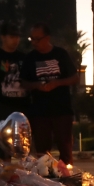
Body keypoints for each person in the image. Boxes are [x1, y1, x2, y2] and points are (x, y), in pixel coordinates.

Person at [22, 22, 78, 162]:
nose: (34, 42)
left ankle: (67, 180)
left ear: (47, 38)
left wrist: (57, 83)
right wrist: (37, 85)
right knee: (42, 154)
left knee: (65, 150)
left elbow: (75, 77)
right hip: (39, 113)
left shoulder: (60, 54)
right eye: (31, 39)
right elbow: (23, 82)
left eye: (37, 39)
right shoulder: (30, 58)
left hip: (62, 110)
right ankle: (45, 181)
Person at [0, 21, 28, 131]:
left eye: (17, 36)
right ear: (3, 37)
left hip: (23, 108)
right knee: (4, 145)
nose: (16, 40)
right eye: (12, 36)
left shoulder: (24, 58)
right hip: (3, 108)